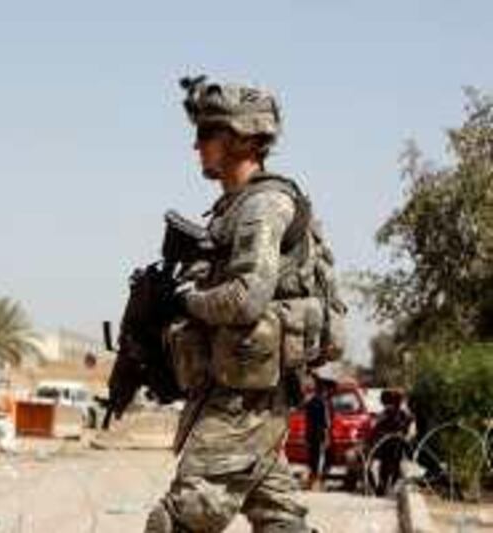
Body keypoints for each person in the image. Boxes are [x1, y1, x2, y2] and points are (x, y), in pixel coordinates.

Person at [144, 75, 330, 533]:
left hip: (245, 394)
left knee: (181, 518)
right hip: (244, 387)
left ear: (243, 137)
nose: (197, 145)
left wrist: (188, 302)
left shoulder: (264, 206)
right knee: (279, 519)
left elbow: (247, 299)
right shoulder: (235, 207)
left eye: (209, 133)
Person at [369, 388, 413, 496]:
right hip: (387, 445)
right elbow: (377, 427)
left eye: (400, 399)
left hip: (398, 445)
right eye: (396, 399)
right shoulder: (387, 413)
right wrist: (381, 435)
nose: (398, 402)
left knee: (396, 467)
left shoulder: (405, 414)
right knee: (385, 467)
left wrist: (405, 436)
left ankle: (390, 488)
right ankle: (382, 487)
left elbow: (410, 429)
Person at [304, 378, 331, 491]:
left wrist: (326, 436)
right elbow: (324, 422)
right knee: (315, 459)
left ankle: (313, 482)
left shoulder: (314, 402)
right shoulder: (317, 402)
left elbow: (322, 421)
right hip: (315, 434)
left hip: (314, 434)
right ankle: (314, 483)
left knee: (314, 459)